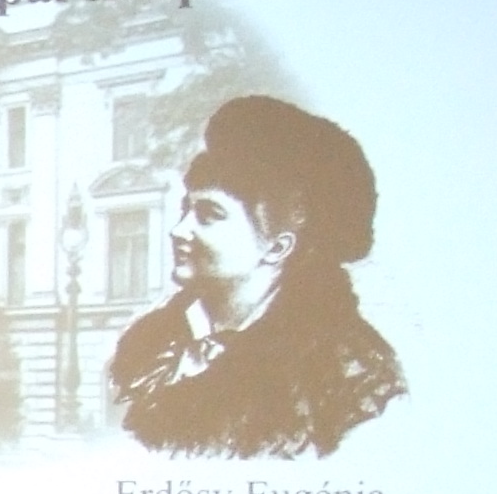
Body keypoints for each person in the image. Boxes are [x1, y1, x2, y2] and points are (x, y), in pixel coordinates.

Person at [110, 95, 406, 458]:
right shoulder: (148, 348)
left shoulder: (345, 373)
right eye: (186, 210)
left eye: (208, 215)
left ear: (277, 247)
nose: (178, 231)